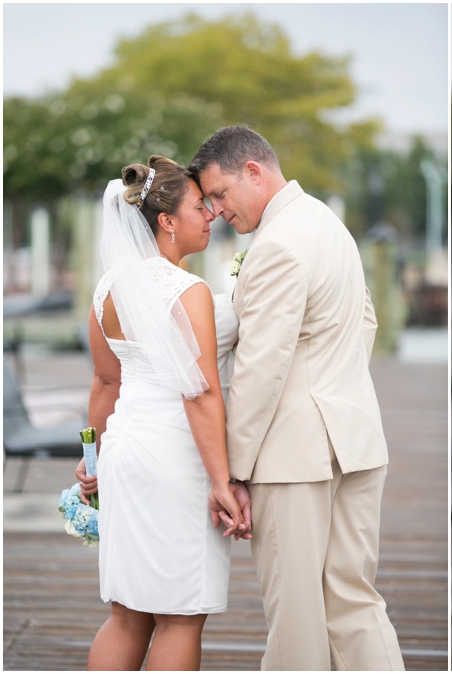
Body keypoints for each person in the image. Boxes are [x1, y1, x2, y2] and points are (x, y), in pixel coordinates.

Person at [189, 125, 405, 671]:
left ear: (254, 172)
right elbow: (366, 323)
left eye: (220, 193)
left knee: (296, 616)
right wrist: (333, 384)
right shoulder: (331, 227)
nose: (216, 210)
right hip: (355, 439)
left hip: (294, 457)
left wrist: (233, 473)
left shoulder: (276, 246)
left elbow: (262, 370)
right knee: (354, 603)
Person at [76, 156, 253, 670]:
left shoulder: (108, 288)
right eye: (200, 206)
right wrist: (223, 482)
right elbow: (199, 395)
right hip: (176, 458)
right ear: (167, 221)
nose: (211, 215)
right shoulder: (187, 291)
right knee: (179, 616)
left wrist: (93, 457)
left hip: (127, 453)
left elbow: (106, 382)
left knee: (127, 614)